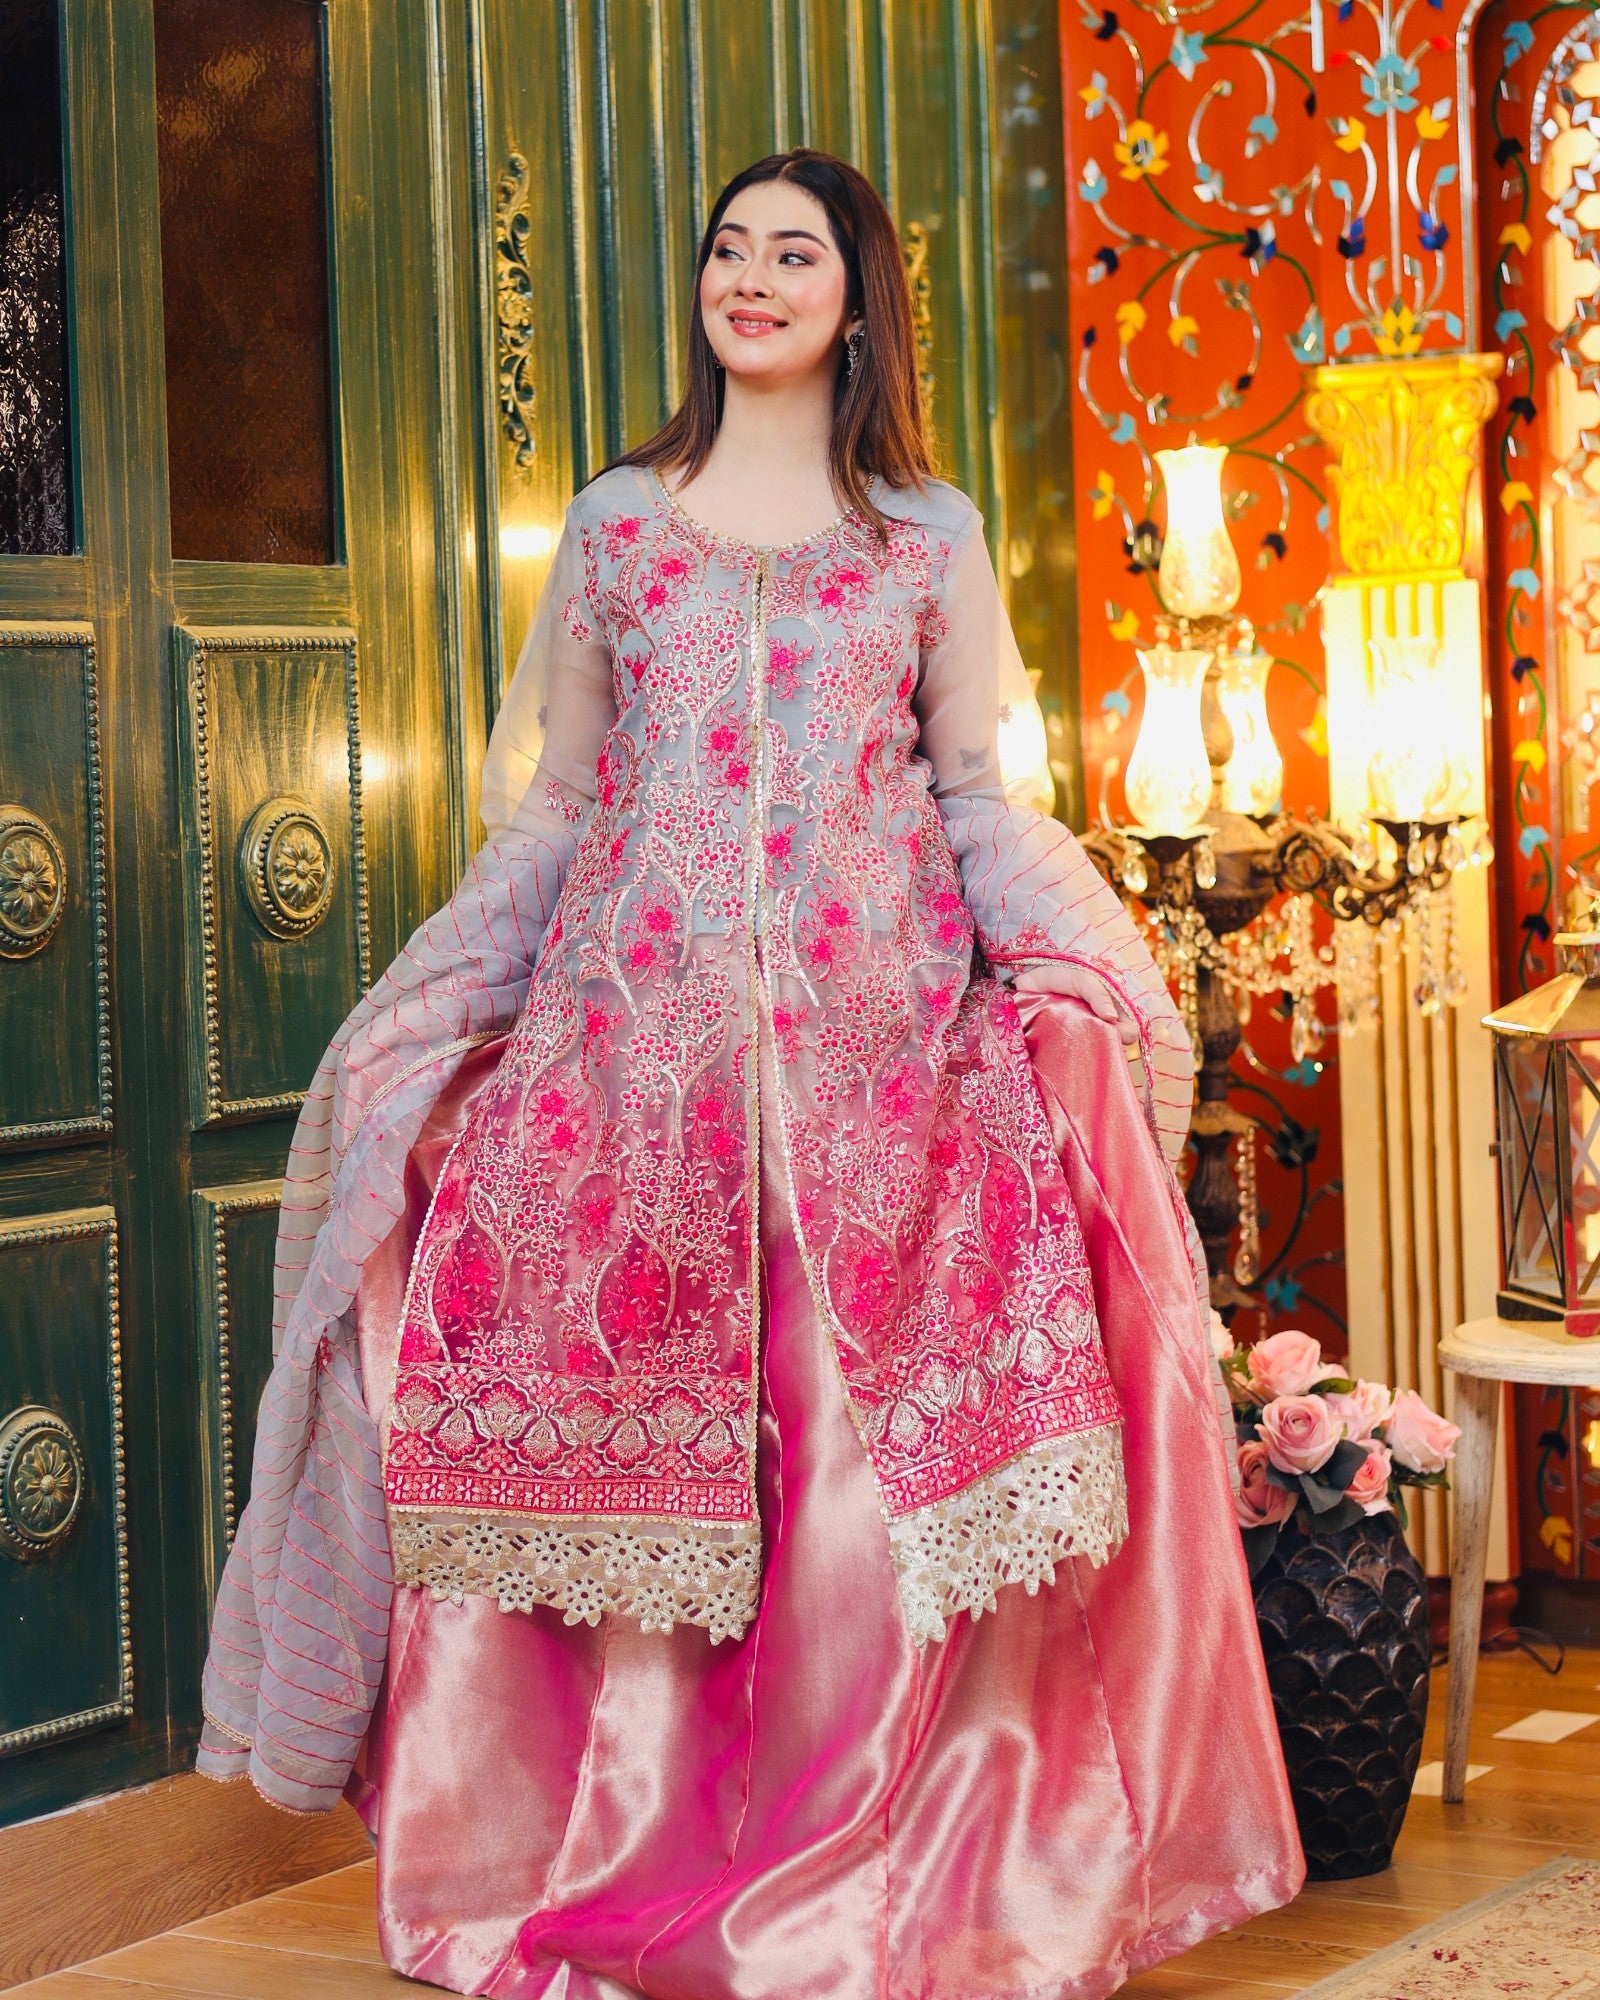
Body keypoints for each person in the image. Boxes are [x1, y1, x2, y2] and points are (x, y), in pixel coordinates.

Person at [198, 148, 1302, 1999]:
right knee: (647, 1501)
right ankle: (616, 1853)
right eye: (729, 249)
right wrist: (431, 994)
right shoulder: (620, 523)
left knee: (858, 1529)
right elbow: (560, 801)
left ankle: (886, 1869)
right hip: (633, 1086)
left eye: (796, 254)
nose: (754, 279)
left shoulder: (927, 537)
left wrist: (1092, 972)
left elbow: (970, 801)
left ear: (859, 299)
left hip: (884, 1086)